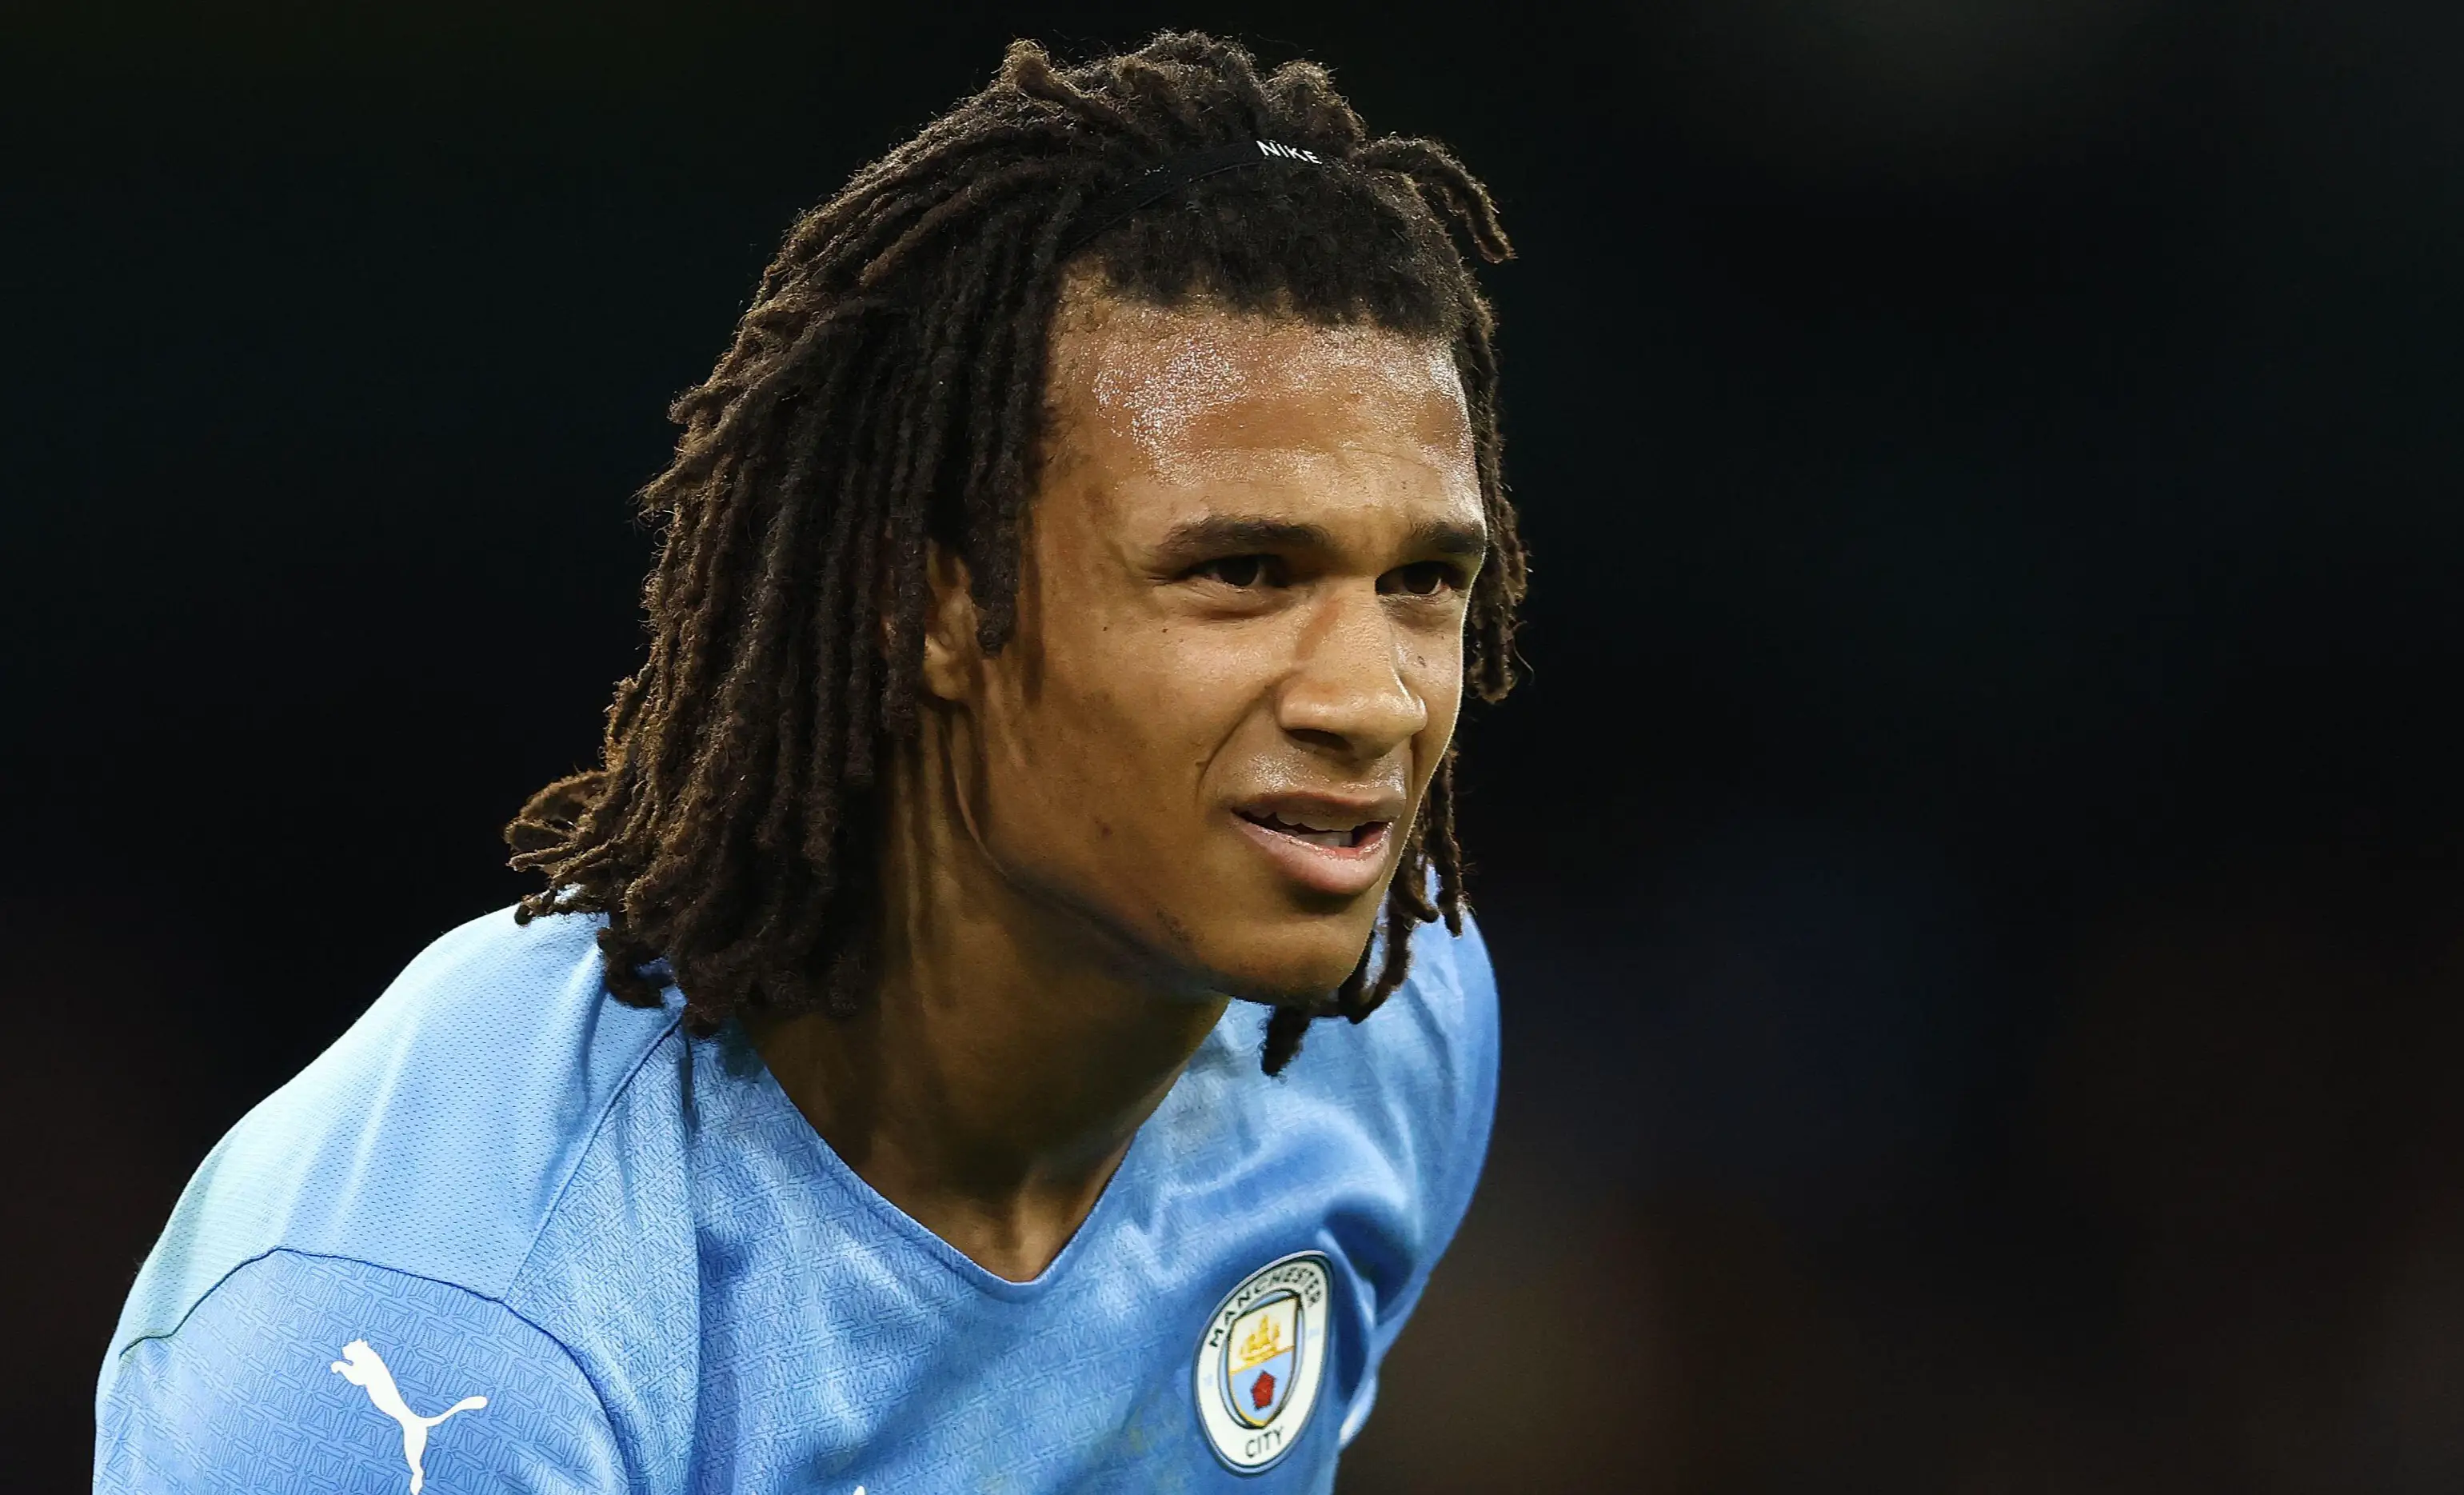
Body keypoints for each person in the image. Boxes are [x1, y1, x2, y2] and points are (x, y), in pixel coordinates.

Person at [94, 30, 1526, 1494]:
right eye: (1238, 571)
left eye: (1422, 580)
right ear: (933, 603)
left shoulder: (1385, 1034)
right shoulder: (432, 1335)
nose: (1372, 701)